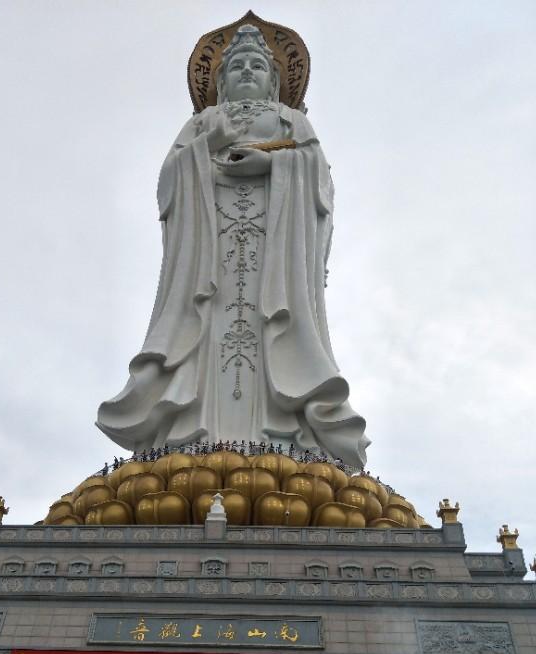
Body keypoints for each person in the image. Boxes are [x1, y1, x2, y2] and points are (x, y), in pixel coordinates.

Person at [97, 24, 368, 468]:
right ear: (219, 82)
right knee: (206, 329)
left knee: (269, 327)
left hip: (274, 254)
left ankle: (281, 439)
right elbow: (169, 184)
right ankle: (191, 435)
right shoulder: (201, 122)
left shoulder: (291, 121)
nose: (246, 71)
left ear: (275, 80)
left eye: (256, 65)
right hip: (208, 255)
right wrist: (207, 147)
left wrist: (276, 164)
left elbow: (318, 178)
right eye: (237, 66)